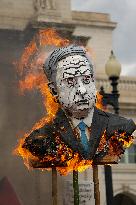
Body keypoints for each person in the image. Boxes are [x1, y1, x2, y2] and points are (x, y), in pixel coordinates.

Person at [22, 45, 136, 170]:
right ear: (54, 91)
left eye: (86, 79)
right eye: (70, 81)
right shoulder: (41, 137)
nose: (82, 90)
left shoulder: (121, 126)